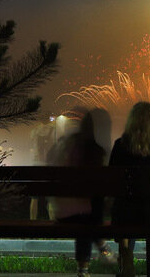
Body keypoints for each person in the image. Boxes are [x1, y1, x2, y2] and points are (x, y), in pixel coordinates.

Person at [109, 102, 150, 277]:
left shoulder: (120, 145)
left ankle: (125, 252)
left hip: (124, 213)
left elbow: (112, 180)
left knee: (124, 204)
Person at [49, 110, 113, 276]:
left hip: (61, 212)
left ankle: (90, 260)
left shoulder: (67, 144)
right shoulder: (94, 151)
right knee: (89, 213)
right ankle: (100, 248)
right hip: (84, 215)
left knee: (86, 215)